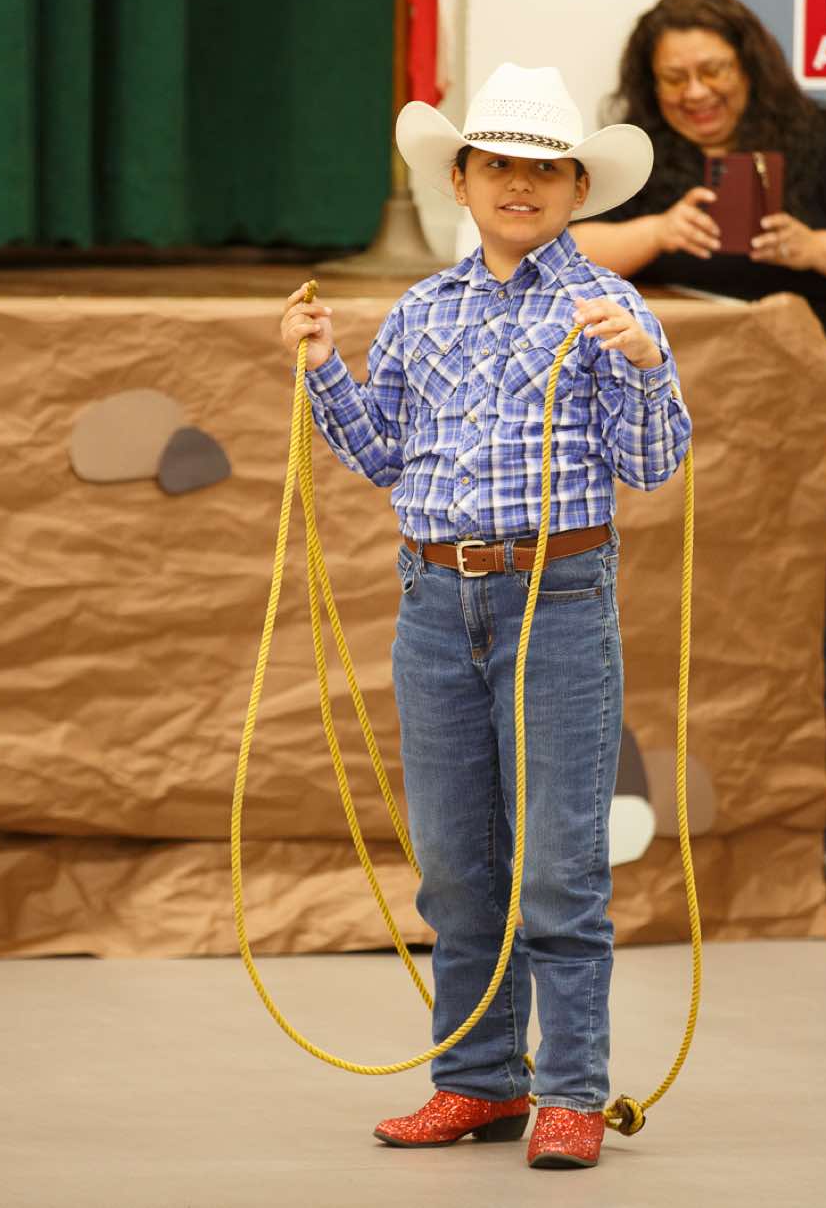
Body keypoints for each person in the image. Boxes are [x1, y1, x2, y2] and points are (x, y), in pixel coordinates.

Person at [279, 62, 691, 1171]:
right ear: (458, 180)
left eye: (543, 170)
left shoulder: (607, 307)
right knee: (458, 864)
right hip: (434, 600)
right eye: (497, 165)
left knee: (557, 865)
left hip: (557, 598)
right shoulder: (422, 312)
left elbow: (651, 465)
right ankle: (477, 1080)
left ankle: (571, 1090)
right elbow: (382, 453)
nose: (519, 184)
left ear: (576, 189)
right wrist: (322, 368)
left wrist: (645, 363)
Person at [571, 0, 826, 910]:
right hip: (700, 437)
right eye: (674, 78)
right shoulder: (636, 164)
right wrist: (656, 231)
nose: (696, 92)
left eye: (713, 71)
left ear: (750, 66)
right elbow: (553, 255)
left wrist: (813, 248)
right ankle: (717, 821)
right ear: (648, 84)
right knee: (702, 621)